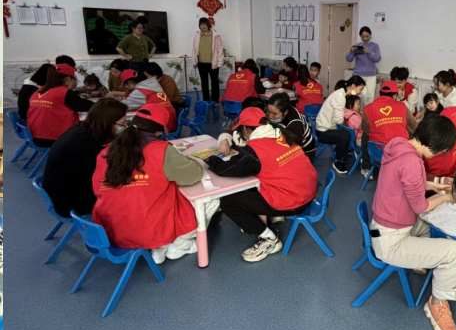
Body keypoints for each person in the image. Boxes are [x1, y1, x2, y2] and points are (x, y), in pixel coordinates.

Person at [370, 115, 456, 330]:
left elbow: (405, 181)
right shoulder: (412, 162)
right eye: (442, 149)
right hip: (390, 241)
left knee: (430, 222)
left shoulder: (399, 145)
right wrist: (447, 198)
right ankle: (436, 303)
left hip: (383, 225)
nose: (441, 153)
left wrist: (433, 185)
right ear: (434, 144)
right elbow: (420, 206)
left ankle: (421, 263)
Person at [92, 105, 202, 264]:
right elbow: (194, 175)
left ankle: (161, 247)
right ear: (161, 130)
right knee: (203, 200)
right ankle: (178, 244)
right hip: (147, 230)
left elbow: (98, 188)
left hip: (109, 231)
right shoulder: (161, 151)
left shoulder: (107, 151)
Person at [206, 107, 318, 262]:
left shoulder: (255, 149)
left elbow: (228, 169)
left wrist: (211, 159)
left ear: (246, 129)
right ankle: (261, 224)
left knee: (228, 202)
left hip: (293, 201)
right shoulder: (281, 134)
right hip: (309, 191)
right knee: (250, 188)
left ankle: (269, 239)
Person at [43, 99, 127, 218]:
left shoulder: (82, 130)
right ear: (108, 123)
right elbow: (105, 177)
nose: (124, 127)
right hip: (69, 202)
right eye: (122, 123)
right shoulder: (86, 144)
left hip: (61, 191)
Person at [361, 81, 417, 179]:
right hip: (401, 155)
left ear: (379, 93)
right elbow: (413, 127)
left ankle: (367, 168)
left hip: (379, 155)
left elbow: (366, 129)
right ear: (395, 95)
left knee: (365, 136)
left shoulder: (367, 109)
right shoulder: (402, 106)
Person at [27, 64, 93, 148]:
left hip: (34, 136)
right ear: (67, 79)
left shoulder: (39, 91)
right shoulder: (64, 92)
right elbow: (86, 106)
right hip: (55, 139)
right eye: (74, 79)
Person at [315, 75, 366, 174]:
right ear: (353, 86)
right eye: (361, 89)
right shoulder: (340, 97)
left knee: (347, 132)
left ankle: (344, 150)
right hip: (323, 132)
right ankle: (339, 162)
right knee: (345, 135)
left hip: (325, 127)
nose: (360, 92)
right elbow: (339, 121)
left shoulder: (341, 94)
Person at [264, 93, 315, 162]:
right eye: (268, 111)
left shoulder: (294, 124)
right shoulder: (273, 109)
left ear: (285, 112)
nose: (270, 116)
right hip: (281, 141)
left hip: (302, 153)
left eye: (274, 114)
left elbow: (294, 149)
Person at [192, 17, 225, 103]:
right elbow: (194, 49)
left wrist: (219, 62)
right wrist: (194, 61)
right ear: (199, 26)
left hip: (213, 63)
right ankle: (206, 100)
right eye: (201, 24)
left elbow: (220, 49)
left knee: (215, 82)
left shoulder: (215, 35)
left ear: (208, 25)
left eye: (205, 24)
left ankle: (215, 100)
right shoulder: (197, 35)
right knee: (204, 83)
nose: (203, 26)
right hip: (201, 63)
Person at [346, 26, 381, 105]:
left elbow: (377, 59)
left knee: (370, 96)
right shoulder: (357, 46)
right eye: (363, 37)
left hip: (371, 75)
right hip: (359, 75)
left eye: (367, 36)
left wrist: (369, 52)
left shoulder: (375, 46)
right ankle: (358, 109)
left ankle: (367, 111)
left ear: (370, 35)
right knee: (362, 94)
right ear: (360, 37)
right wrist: (351, 51)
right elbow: (349, 59)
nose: (365, 38)